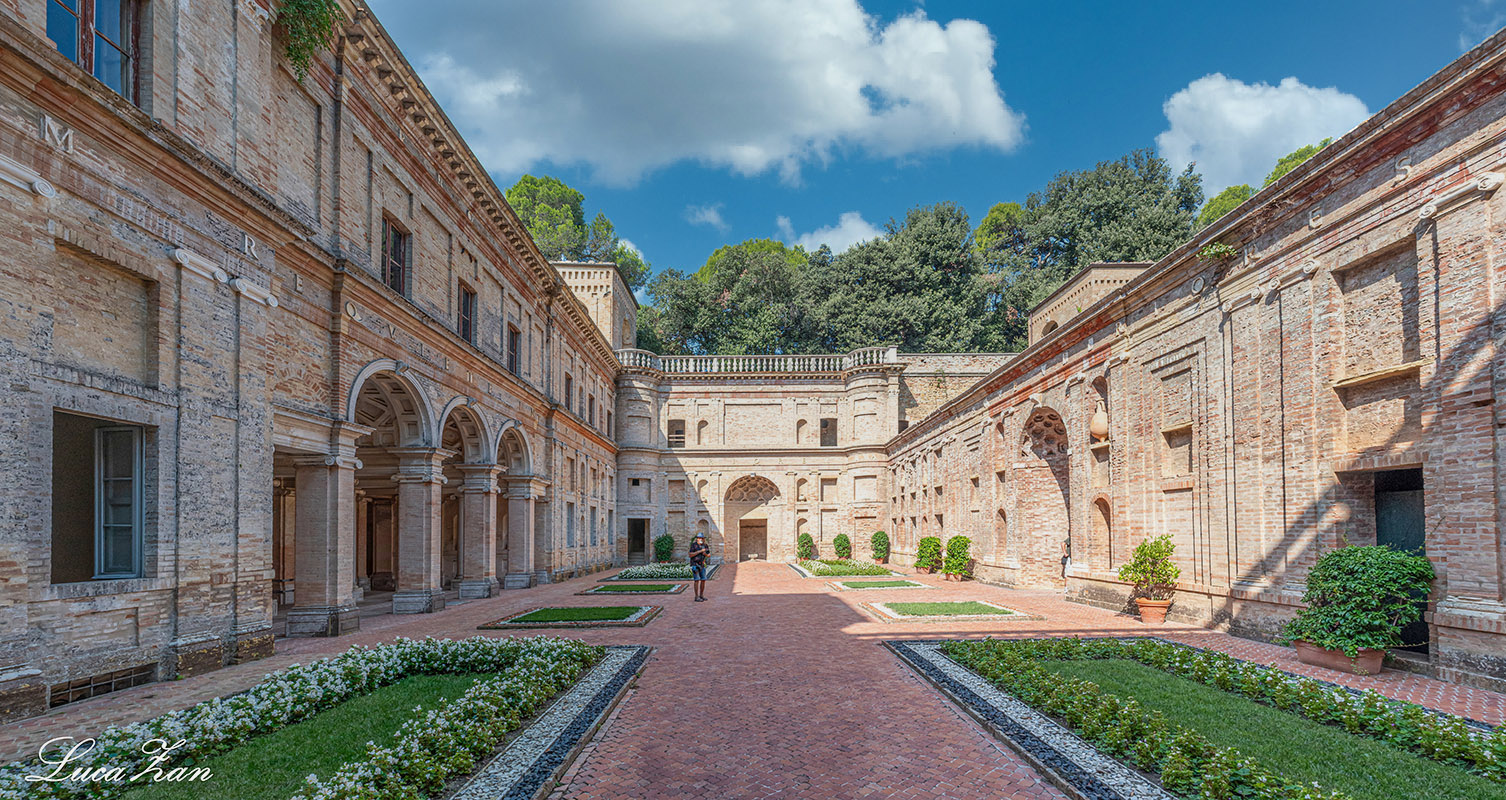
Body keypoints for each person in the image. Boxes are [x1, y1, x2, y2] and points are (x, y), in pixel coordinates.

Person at [688, 534, 710, 601]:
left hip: (702, 565)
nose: (701, 539)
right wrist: (700, 551)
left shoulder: (705, 545)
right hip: (695, 564)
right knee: (696, 580)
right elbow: (690, 555)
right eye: (699, 538)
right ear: (697, 539)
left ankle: (701, 595)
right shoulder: (694, 545)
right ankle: (696, 597)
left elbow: (709, 554)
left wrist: (705, 554)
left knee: (703, 580)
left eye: (702, 538)